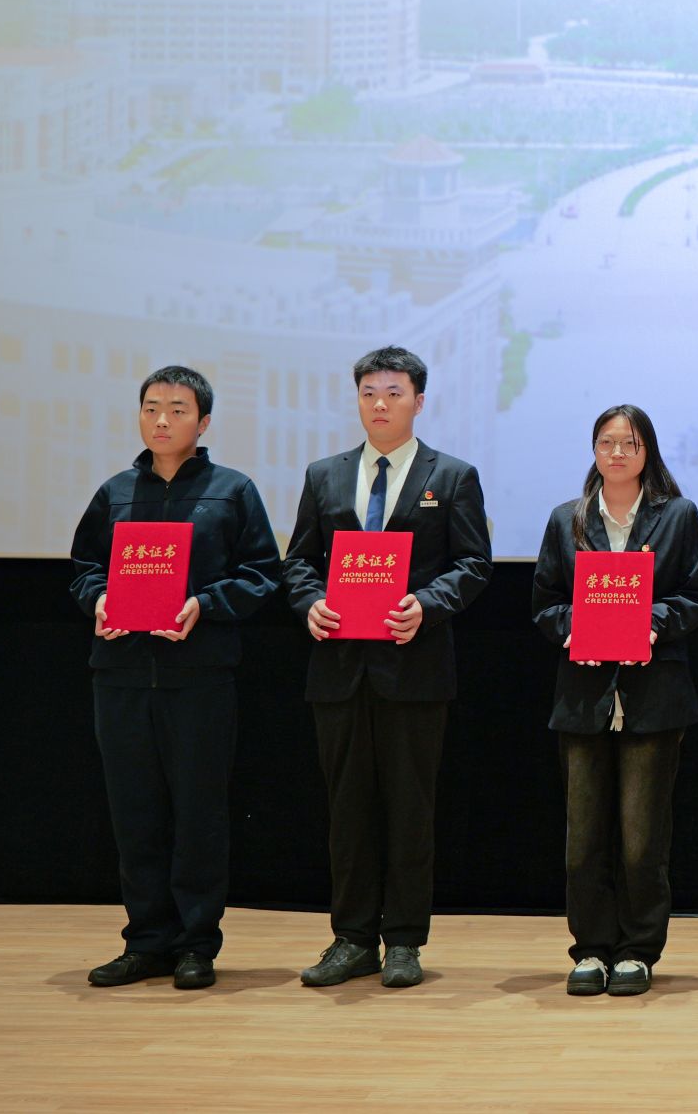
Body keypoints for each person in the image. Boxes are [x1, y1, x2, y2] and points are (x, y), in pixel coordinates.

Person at [283, 346, 493, 989]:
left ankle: (403, 940)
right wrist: (310, 603)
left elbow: (473, 564)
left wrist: (426, 605)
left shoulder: (451, 476)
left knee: (409, 808)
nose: (380, 404)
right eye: (369, 393)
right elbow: (299, 561)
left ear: (418, 401)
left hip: (414, 669)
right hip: (340, 669)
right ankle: (351, 939)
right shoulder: (325, 474)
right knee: (347, 810)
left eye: (394, 393)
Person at [68, 365, 281, 990]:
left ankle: (195, 944)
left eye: (178, 409)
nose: (162, 420)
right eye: (151, 408)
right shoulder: (115, 493)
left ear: (203, 421)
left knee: (198, 812)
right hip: (121, 676)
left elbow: (262, 573)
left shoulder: (232, 490)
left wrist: (203, 605)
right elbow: (84, 568)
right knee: (135, 812)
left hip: (200, 678)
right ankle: (146, 942)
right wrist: (98, 600)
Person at [531, 405, 698, 997]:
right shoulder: (567, 518)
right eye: (606, 442)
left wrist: (652, 623)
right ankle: (589, 948)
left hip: (652, 696)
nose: (616, 452)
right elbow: (546, 602)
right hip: (584, 696)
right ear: (594, 450)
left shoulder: (677, 515)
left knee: (641, 841)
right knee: (583, 841)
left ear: (646, 452)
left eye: (629, 443)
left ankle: (637, 950)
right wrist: (574, 630)